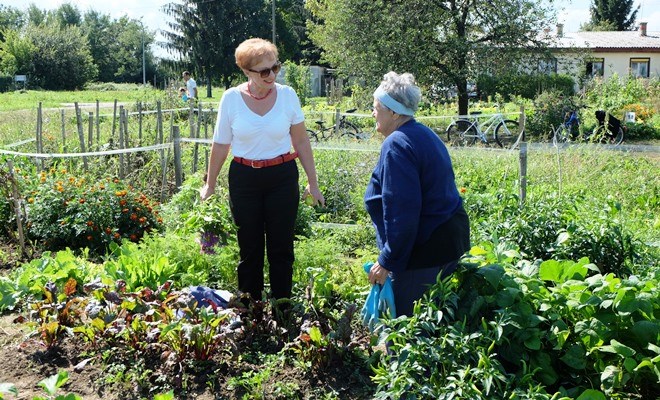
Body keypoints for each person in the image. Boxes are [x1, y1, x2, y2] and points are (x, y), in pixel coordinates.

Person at [200, 38, 324, 304]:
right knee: (250, 247)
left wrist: (313, 184)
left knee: (281, 247)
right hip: (244, 178)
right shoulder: (231, 99)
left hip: (282, 176)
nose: (272, 75)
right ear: (246, 71)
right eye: (264, 71)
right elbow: (221, 144)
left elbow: (301, 141)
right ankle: (250, 308)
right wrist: (210, 184)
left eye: (275, 67)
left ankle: (282, 308)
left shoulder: (288, 95)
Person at [365, 71, 470, 317]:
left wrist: (387, 260)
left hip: (423, 253)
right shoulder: (422, 134)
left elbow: (402, 210)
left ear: (392, 112)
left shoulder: (397, 145)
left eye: (376, 107)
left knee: (407, 332)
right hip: (444, 241)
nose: (372, 113)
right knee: (435, 323)